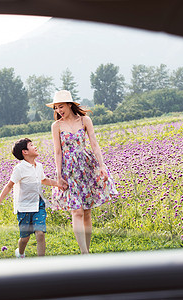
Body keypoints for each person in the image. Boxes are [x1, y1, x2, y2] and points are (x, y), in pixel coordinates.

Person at [47, 90, 119, 254]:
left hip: (86, 166)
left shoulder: (85, 120)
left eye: (61, 106)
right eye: (56, 108)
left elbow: (94, 144)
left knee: (87, 211)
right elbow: (57, 152)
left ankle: (86, 250)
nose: (59, 110)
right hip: (69, 170)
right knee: (77, 210)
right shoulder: (56, 126)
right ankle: (84, 252)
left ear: (70, 105)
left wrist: (102, 166)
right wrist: (59, 176)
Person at [0, 138, 64, 258]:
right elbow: (9, 185)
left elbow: (43, 180)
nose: (35, 147)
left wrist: (58, 184)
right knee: (25, 238)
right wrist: (0, 198)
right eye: (31, 145)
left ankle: (40, 262)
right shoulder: (19, 168)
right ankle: (21, 252)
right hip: (24, 207)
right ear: (25, 152)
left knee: (40, 234)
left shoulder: (39, 166)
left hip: (39, 204)